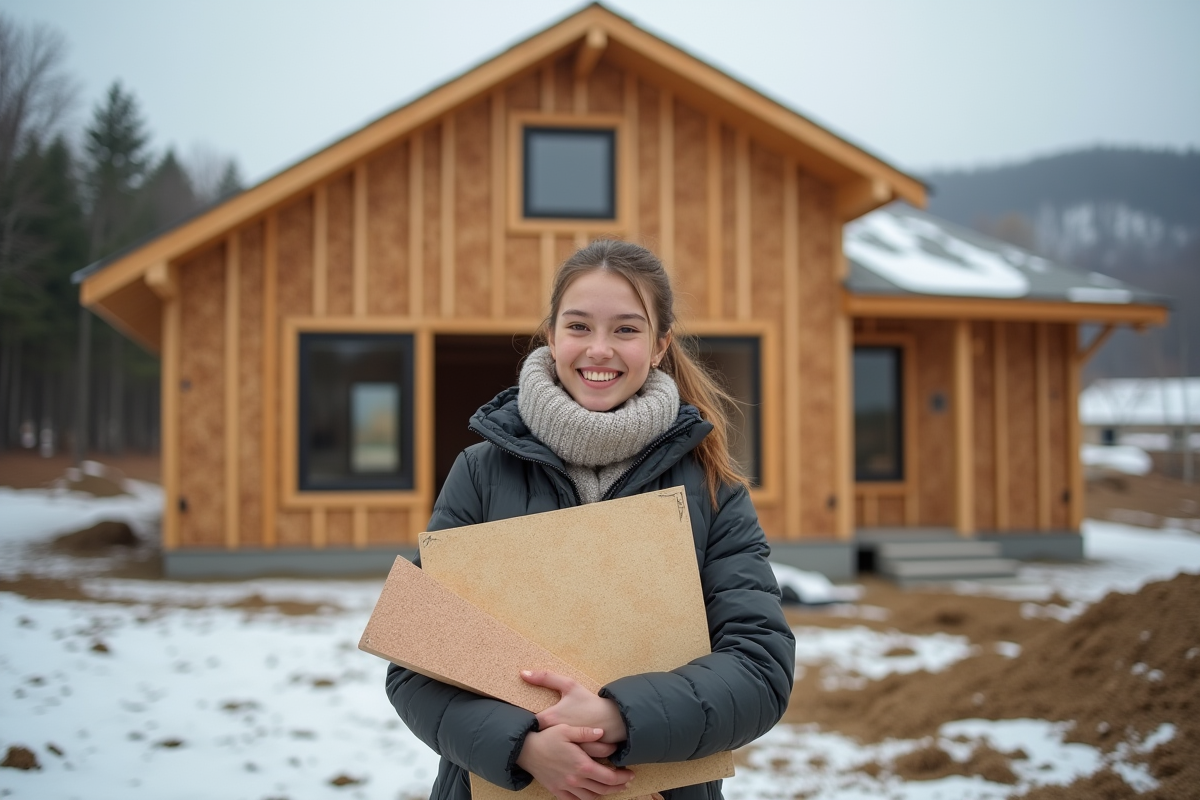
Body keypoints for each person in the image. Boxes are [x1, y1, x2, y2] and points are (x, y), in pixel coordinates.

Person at [386, 239, 795, 800]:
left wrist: (620, 718)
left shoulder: (713, 490)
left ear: (659, 346)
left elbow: (759, 669)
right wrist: (524, 747)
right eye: (579, 326)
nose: (599, 349)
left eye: (626, 329)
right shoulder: (479, 474)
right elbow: (414, 661)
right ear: (551, 336)